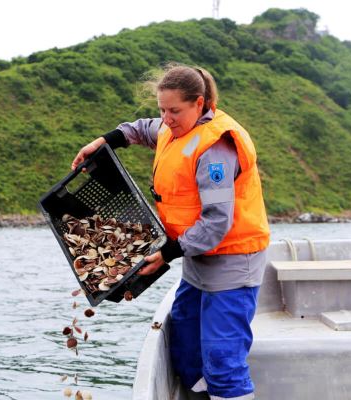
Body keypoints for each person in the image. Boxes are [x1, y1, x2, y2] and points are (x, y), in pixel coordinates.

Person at [71, 64, 270, 400]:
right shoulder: (169, 128)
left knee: (222, 360)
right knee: (186, 349)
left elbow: (217, 222)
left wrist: (165, 253)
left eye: (175, 110)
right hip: (196, 261)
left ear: (200, 103)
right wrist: (104, 142)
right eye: (162, 109)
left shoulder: (216, 150)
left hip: (233, 263)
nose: (167, 118)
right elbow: (139, 129)